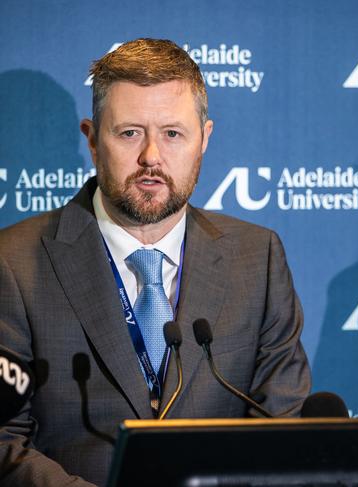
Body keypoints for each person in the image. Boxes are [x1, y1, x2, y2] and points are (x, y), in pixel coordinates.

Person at [0, 38, 310, 486]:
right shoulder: (13, 263)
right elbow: (5, 441)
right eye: (129, 133)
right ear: (91, 138)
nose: (151, 156)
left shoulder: (257, 258)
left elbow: (284, 425)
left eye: (172, 133)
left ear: (204, 138)